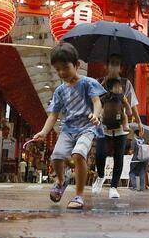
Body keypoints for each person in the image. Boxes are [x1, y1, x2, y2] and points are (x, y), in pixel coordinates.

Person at [31, 42, 104, 210]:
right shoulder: (59, 91)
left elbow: (96, 101)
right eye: (58, 70)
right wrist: (43, 131)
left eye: (65, 67)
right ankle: (61, 181)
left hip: (87, 127)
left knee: (78, 155)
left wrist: (95, 114)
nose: (62, 73)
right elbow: (53, 115)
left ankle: (79, 195)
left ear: (77, 65)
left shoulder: (87, 83)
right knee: (56, 156)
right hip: (68, 129)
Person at [93, 75, 131, 199]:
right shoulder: (103, 96)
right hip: (104, 128)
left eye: (120, 86)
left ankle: (113, 187)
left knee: (118, 157)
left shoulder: (122, 96)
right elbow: (96, 105)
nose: (119, 88)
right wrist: (96, 116)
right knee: (100, 154)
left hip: (120, 130)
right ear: (110, 88)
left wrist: (126, 104)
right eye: (116, 86)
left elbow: (129, 112)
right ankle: (100, 176)